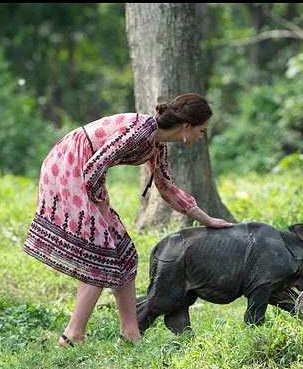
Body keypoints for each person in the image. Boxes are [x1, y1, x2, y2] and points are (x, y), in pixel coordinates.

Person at [23, 93, 234, 348]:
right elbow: (93, 168)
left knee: (126, 254)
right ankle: (72, 336)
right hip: (69, 163)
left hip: (86, 174)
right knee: (102, 254)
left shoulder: (156, 145)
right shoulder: (141, 130)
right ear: (187, 127)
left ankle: (130, 333)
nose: (202, 136)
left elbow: (167, 188)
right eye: (202, 130)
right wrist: (102, 211)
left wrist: (206, 219)